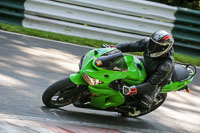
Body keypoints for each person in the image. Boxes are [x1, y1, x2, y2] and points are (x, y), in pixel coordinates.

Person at [116, 30, 175, 110]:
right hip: (147, 64)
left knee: (144, 104)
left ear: (164, 49)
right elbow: (131, 46)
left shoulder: (166, 65)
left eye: (156, 46)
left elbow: (151, 85)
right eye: (152, 43)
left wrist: (131, 90)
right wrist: (115, 48)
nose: (152, 47)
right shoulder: (147, 43)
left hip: (157, 80)